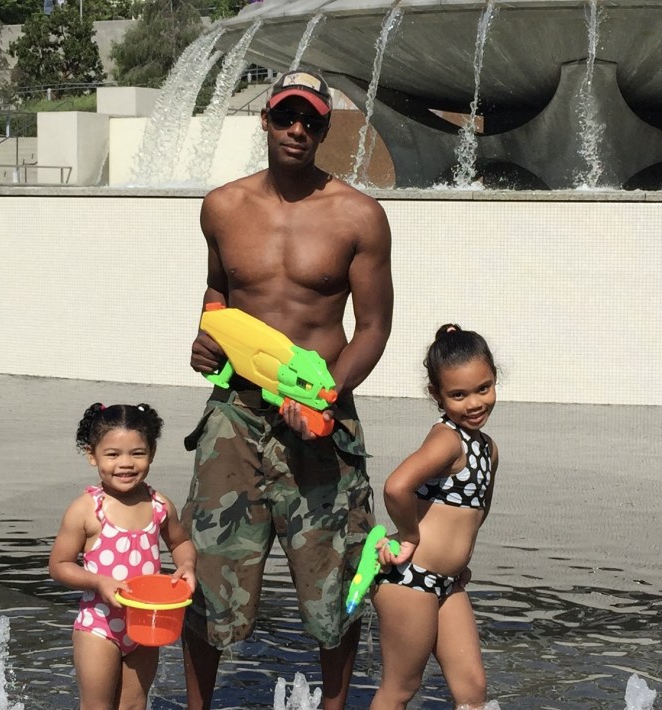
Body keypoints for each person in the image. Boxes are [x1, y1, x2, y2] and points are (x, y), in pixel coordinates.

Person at [181, 69, 394, 710]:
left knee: (334, 579)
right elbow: (221, 292)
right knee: (210, 575)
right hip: (236, 417)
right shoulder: (222, 206)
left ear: (325, 129)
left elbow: (374, 327)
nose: (298, 130)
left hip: (320, 417)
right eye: (286, 117)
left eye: (311, 121)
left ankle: (331, 707)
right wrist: (207, 338)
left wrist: (325, 397)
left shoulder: (359, 214)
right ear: (266, 121)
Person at [369, 324, 500, 710]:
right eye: (458, 395)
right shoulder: (448, 439)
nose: (474, 403)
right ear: (437, 395)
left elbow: (478, 510)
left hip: (448, 582)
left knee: (472, 691)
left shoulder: (487, 448)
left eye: (483, 388)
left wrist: (461, 559)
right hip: (409, 578)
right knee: (401, 689)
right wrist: (408, 535)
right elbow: (396, 486)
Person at [49, 402, 197, 710]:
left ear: (152, 453)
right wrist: (99, 581)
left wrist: (186, 565)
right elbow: (59, 566)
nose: (125, 464)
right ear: (92, 455)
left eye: (137, 453)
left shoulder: (159, 505)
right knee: (97, 706)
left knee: (133, 705)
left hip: (146, 625)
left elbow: (180, 542)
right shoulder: (87, 510)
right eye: (113, 454)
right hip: (99, 626)